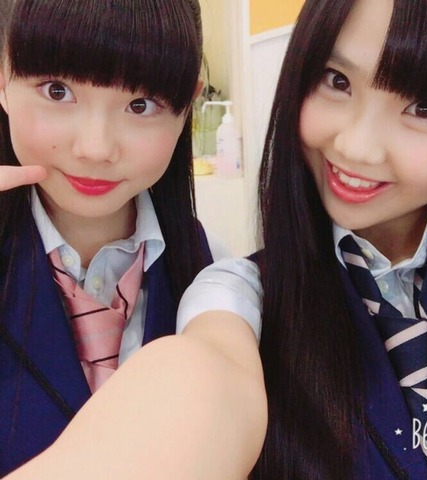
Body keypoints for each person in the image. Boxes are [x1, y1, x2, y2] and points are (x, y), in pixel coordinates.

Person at [178, 0, 427, 477]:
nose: (355, 146)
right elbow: (197, 381)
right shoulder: (240, 293)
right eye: (337, 81)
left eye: (423, 107)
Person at [0, 0, 266, 478]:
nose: (96, 148)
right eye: (58, 91)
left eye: (140, 105)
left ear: (187, 104)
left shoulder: (215, 282)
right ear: (3, 79)